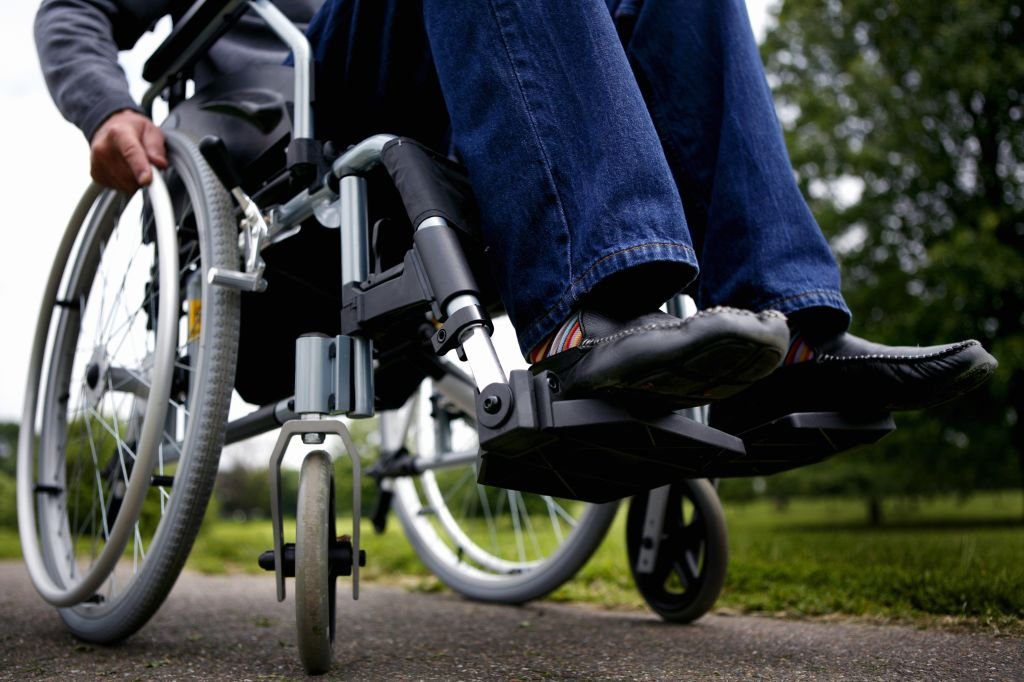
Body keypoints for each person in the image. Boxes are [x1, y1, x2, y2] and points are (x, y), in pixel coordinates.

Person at [35, 0, 997, 427]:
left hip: (458, 89)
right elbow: (72, 11)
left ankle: (786, 330)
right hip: (301, 132)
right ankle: (593, 307)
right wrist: (106, 106)